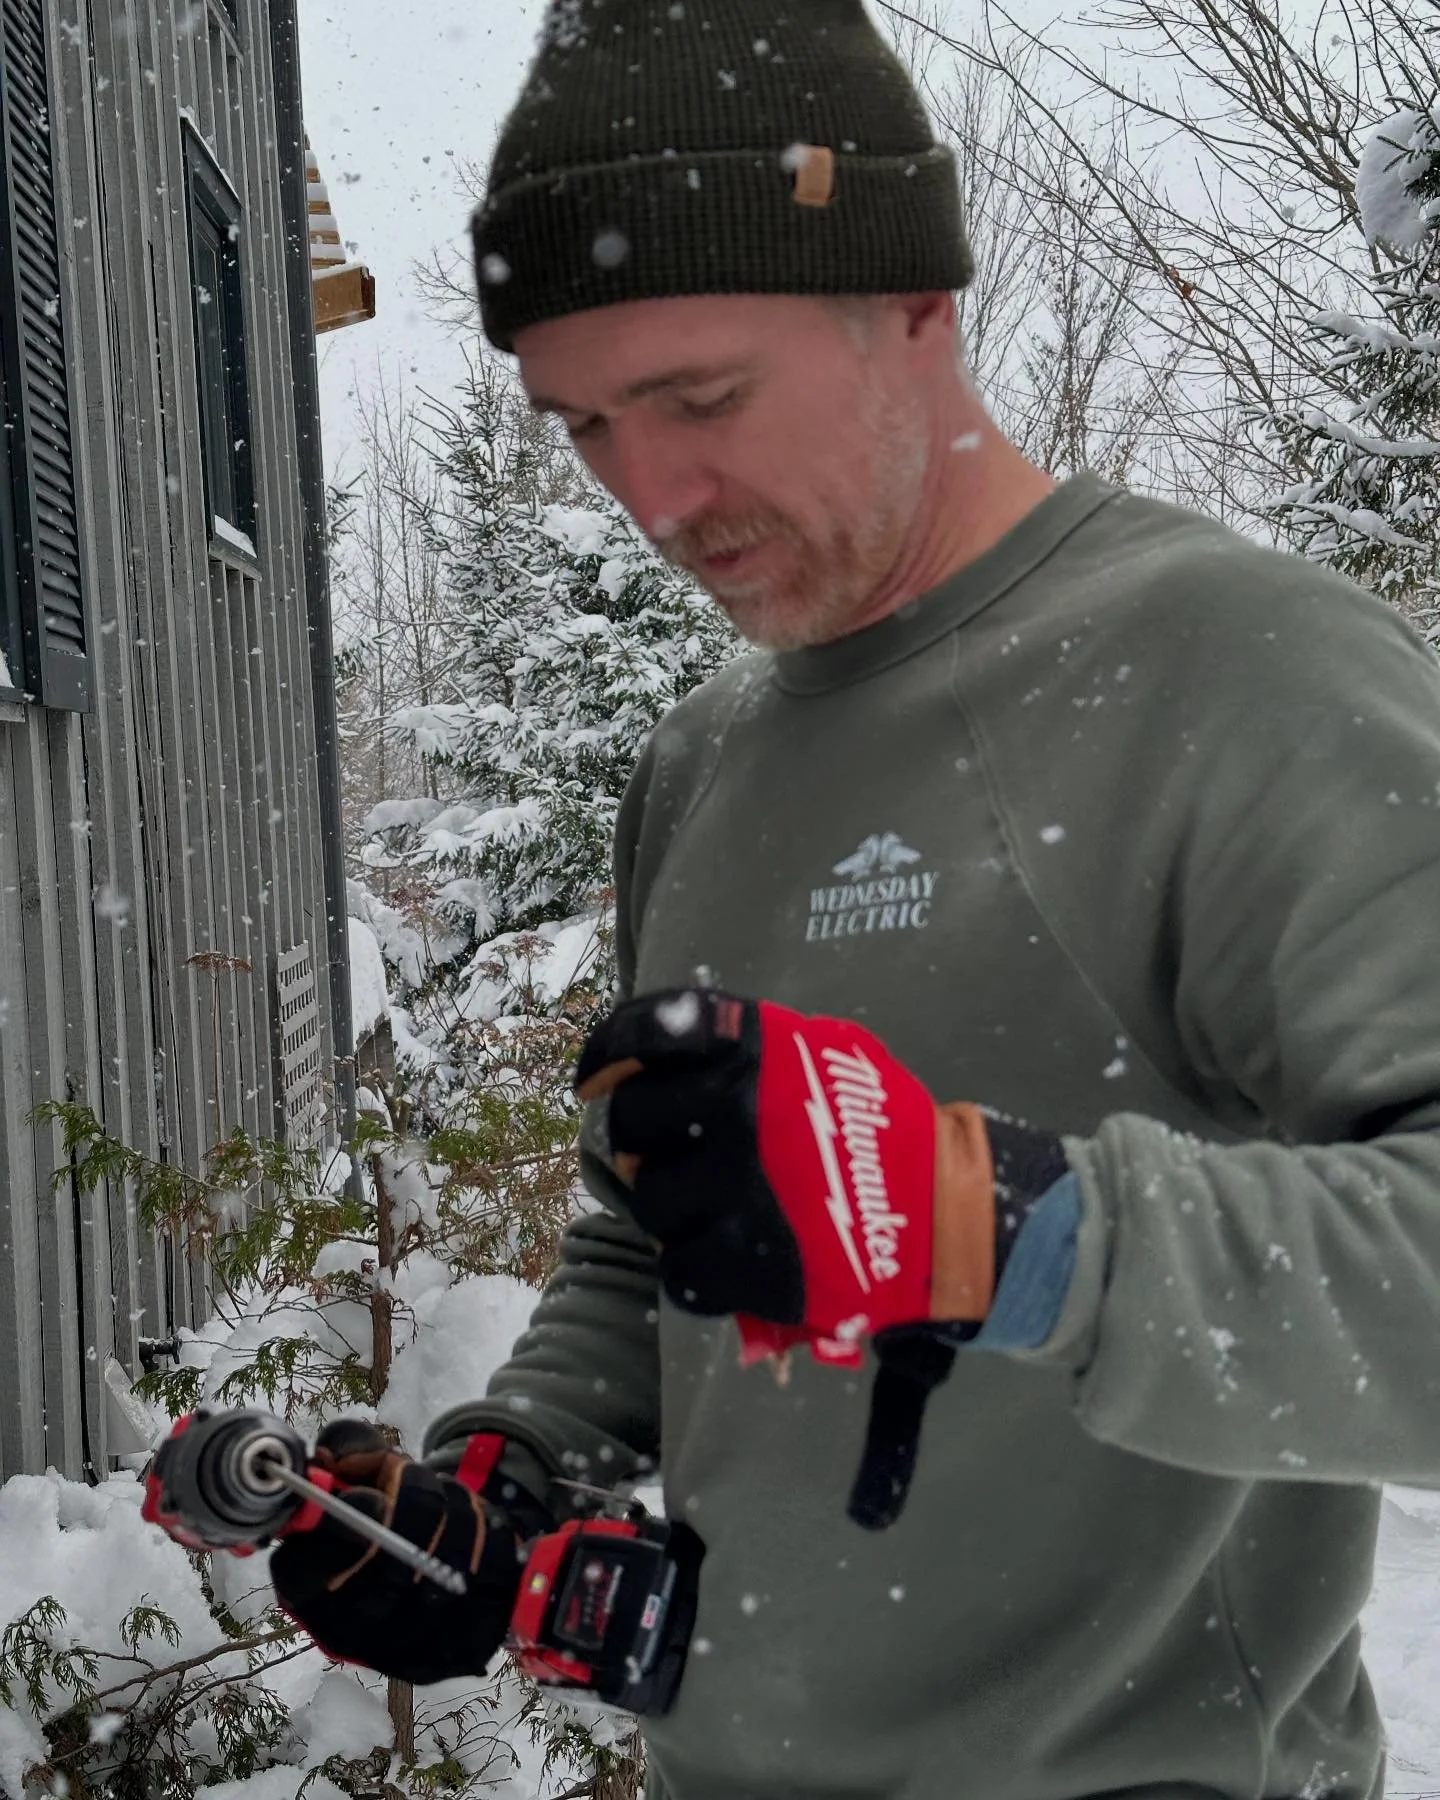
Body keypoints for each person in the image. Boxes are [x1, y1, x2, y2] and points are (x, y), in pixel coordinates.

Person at [265, 4, 1440, 1796]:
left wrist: (1004, 1229)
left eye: (701, 399)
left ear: (914, 301)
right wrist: (509, 1480)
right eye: (585, 426)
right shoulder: (702, 759)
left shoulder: (1244, 676)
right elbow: (651, 1235)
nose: (652, 495)